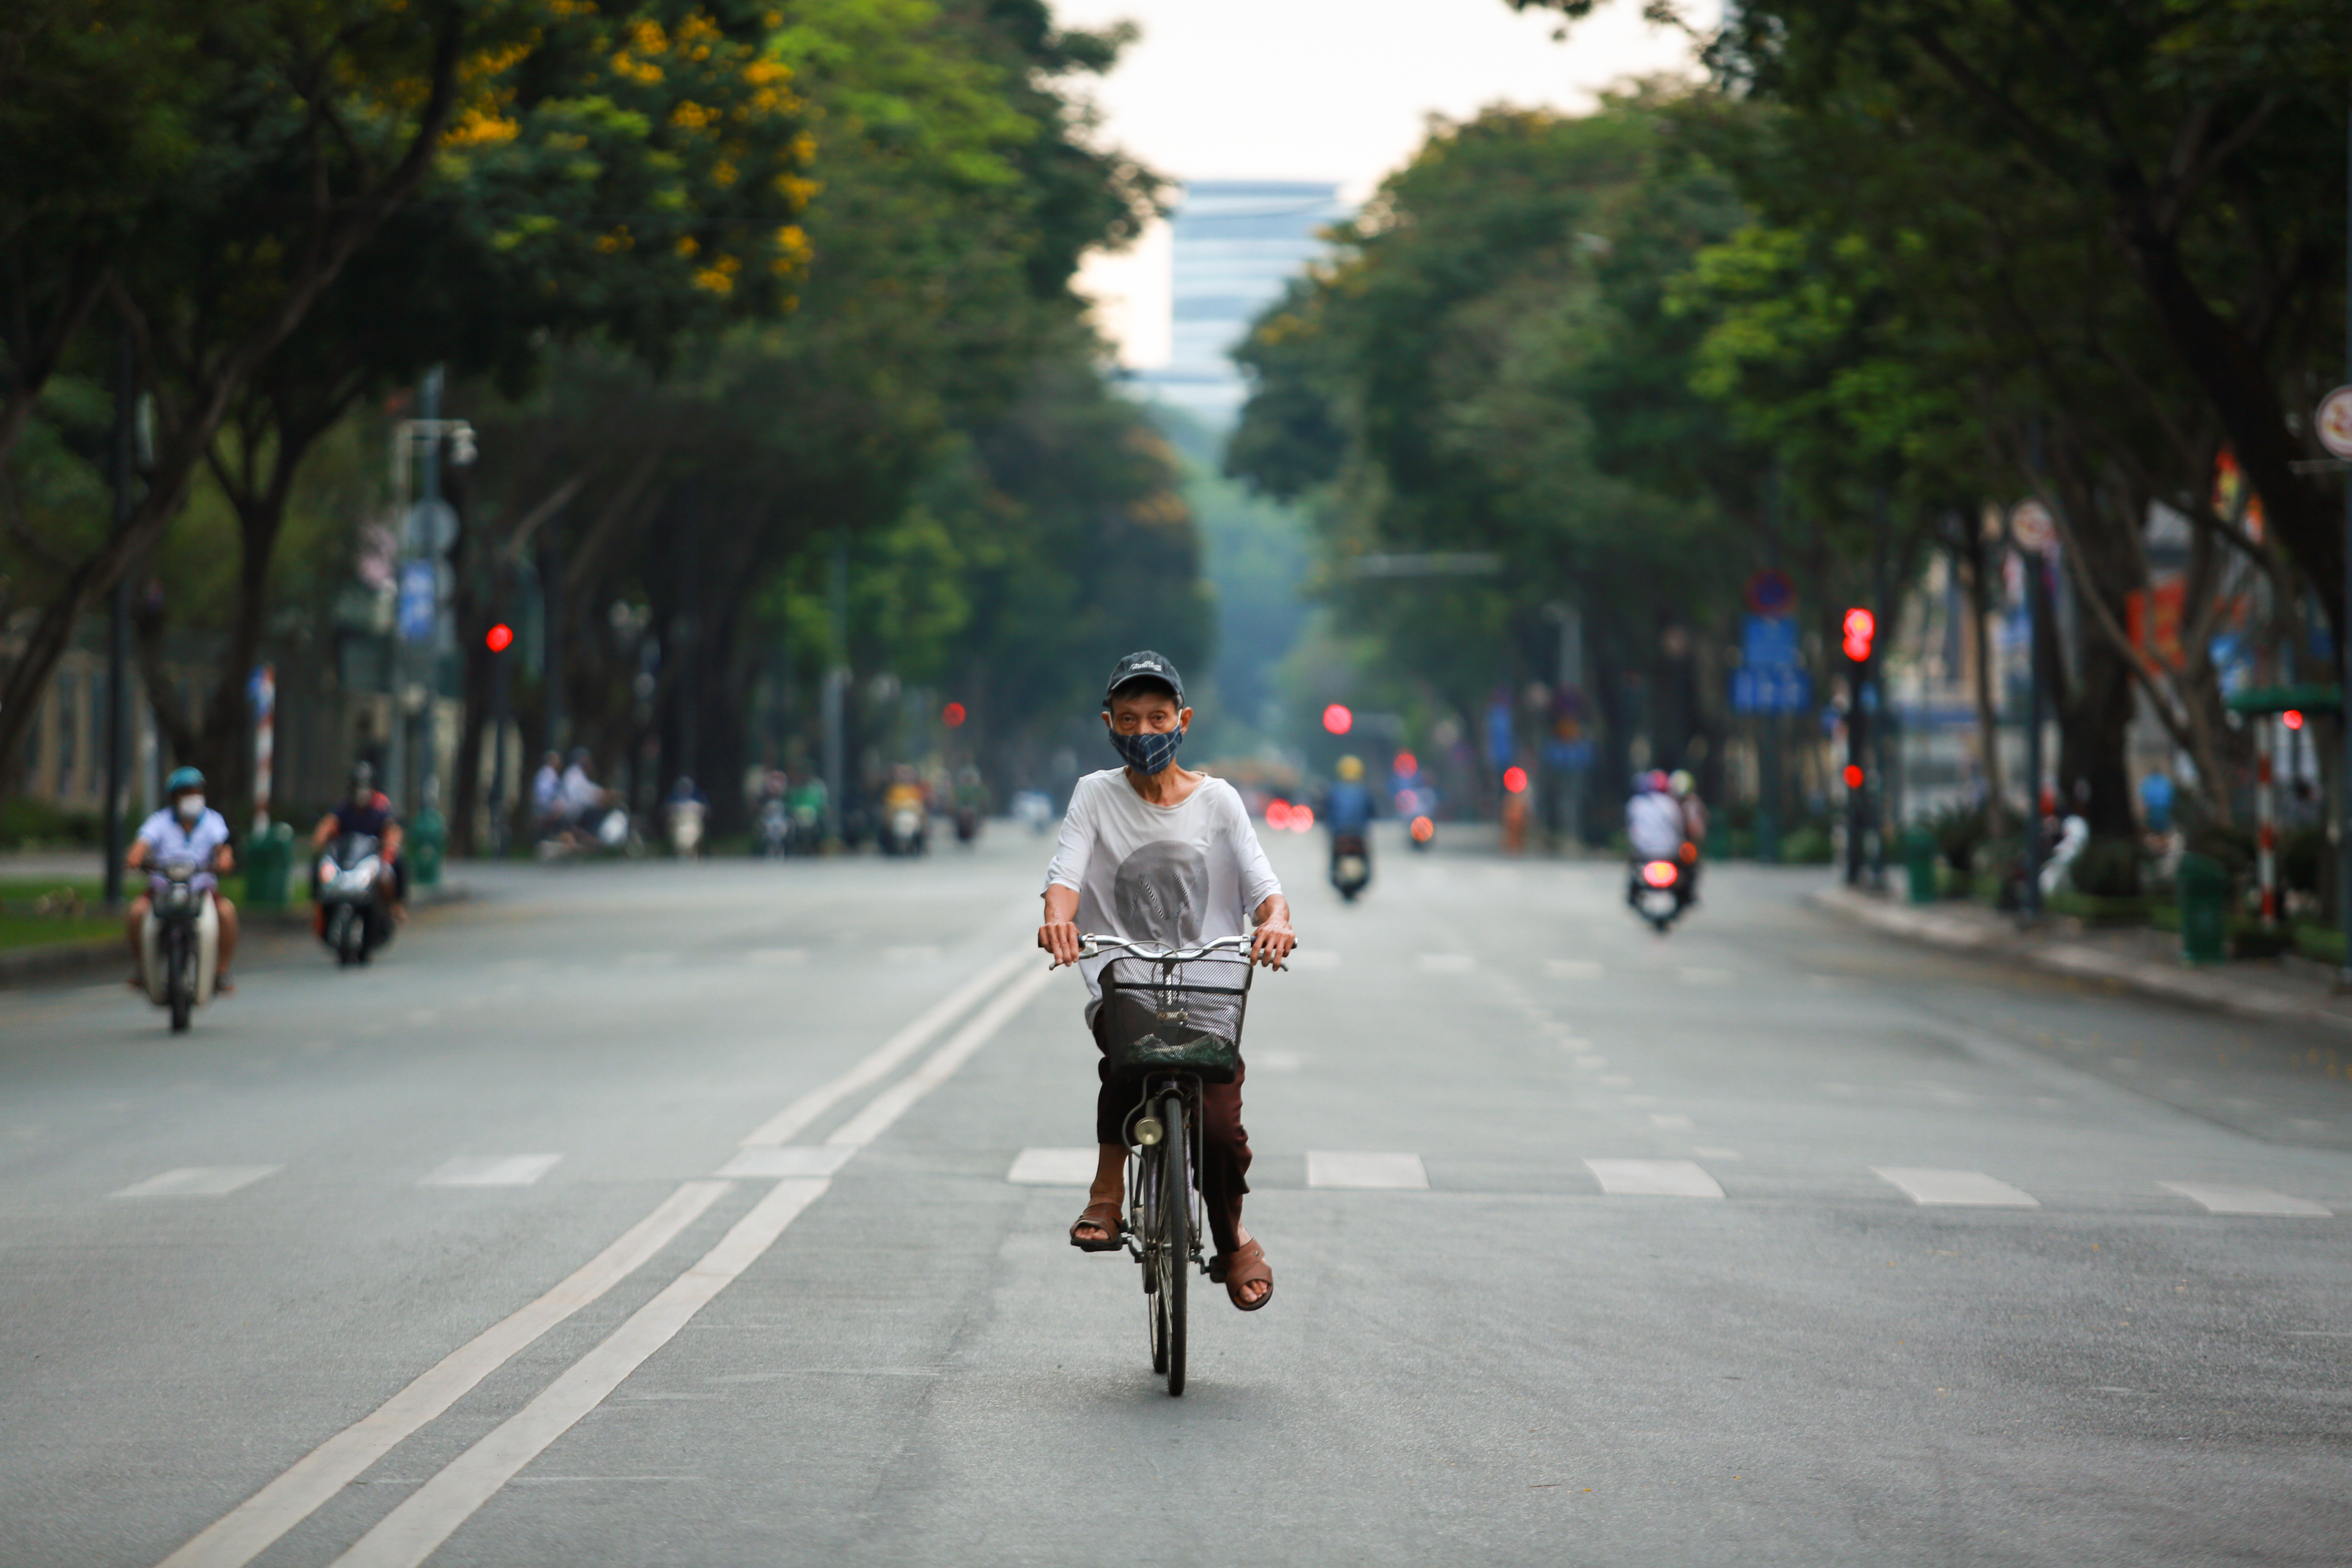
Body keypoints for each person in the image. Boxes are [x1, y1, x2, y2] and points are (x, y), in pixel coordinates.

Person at [1038, 650, 1297, 1312]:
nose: (1145, 731)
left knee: (1218, 1133)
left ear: (1183, 720)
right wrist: (1058, 923)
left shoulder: (1220, 802)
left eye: (1158, 716)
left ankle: (1234, 1240)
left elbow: (1269, 892)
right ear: (1109, 725)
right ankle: (1106, 1194)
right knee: (1128, 1052)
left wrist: (1275, 924)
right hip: (1125, 985)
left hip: (1211, 997)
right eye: (1130, 719)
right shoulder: (1095, 795)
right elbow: (1064, 880)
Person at [125, 766, 239, 993]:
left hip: (201, 888)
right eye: (186, 793)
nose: (192, 797)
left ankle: (221, 972)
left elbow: (222, 849)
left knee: (227, 914)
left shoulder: (212, 821)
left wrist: (225, 859)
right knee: (137, 913)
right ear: (175, 797)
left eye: (196, 792)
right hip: (163, 889)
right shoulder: (159, 822)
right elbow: (140, 847)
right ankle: (141, 969)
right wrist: (136, 858)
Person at [312, 762, 406, 923]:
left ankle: (396, 905)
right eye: (357, 787)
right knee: (317, 865)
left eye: (365, 787)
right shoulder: (344, 807)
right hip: (346, 857)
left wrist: (390, 850)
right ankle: (316, 904)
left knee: (400, 864)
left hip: (373, 857)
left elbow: (392, 830)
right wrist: (320, 840)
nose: (361, 792)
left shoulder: (380, 808)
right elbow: (328, 825)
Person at [1625, 769, 1688, 906]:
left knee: (1633, 867)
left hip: (1644, 853)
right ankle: (1687, 896)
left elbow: (1631, 828)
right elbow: (1679, 827)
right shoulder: (1670, 804)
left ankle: (1631, 895)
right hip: (1669, 853)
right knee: (1686, 870)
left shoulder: (1636, 804)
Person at [530, 750, 565, 837]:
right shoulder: (548, 774)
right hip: (545, 811)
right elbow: (544, 795)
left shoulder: (544, 773)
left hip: (542, 809)